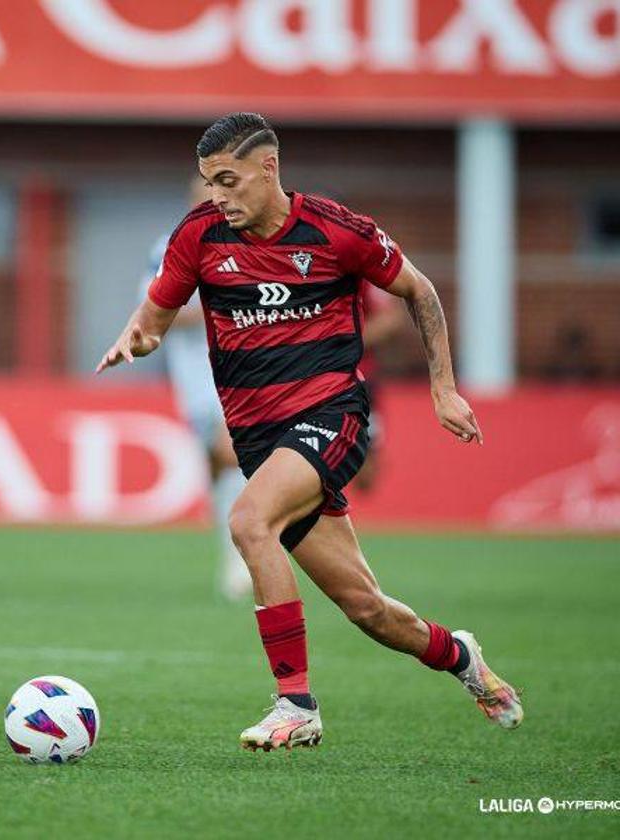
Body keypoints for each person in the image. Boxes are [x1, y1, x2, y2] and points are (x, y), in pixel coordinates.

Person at [97, 113, 522, 751]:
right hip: (259, 439)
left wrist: (443, 387)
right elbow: (157, 315)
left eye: (229, 181)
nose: (218, 197)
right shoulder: (199, 236)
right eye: (210, 183)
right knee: (368, 609)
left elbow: (419, 289)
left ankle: (295, 703)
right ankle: (460, 657)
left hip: (332, 414)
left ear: (268, 168)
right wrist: (138, 335)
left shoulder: (336, 230)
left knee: (247, 522)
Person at [141, 181, 250, 602]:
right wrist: (217, 306)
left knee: (231, 453)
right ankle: (236, 548)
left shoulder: (250, 243)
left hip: (245, 375)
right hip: (197, 381)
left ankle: (243, 560)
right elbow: (154, 313)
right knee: (220, 467)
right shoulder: (168, 249)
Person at [350, 281, 408, 493]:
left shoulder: (360, 272)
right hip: (305, 379)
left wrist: (339, 344)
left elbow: (390, 319)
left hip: (358, 382)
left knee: (365, 472)